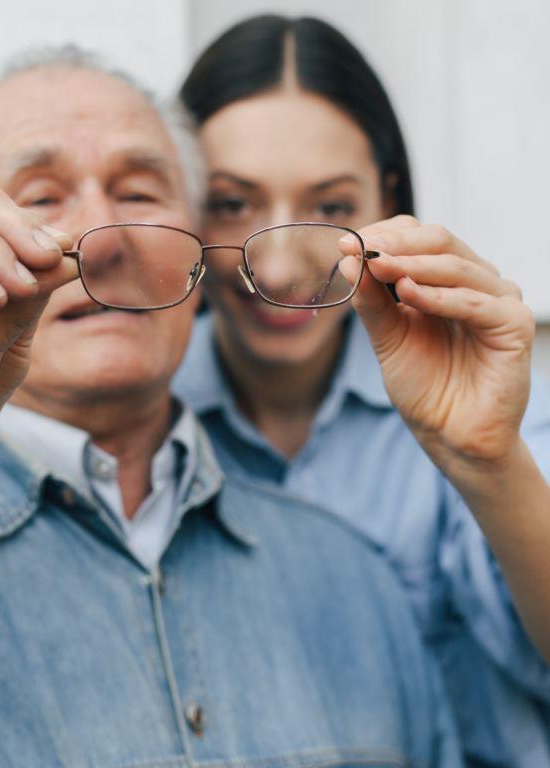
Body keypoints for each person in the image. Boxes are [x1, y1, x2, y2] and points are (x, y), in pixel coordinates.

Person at [0, 48, 460, 765]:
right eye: (40, 198)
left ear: (201, 249)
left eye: (140, 194)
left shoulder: (353, 578)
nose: (104, 244)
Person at [175, 14, 550, 767]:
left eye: (333, 209)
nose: (278, 271)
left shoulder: (486, 401)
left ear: (390, 198)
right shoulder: (139, 414)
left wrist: (488, 461)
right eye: (233, 203)